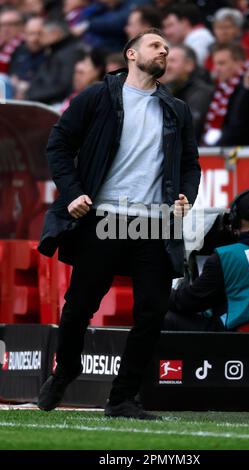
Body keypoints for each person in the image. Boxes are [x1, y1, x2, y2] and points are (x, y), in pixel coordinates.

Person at [37, 28, 200, 419]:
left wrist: (185, 197)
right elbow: (59, 144)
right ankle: (67, 368)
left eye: (167, 47)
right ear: (131, 54)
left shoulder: (176, 108)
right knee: (78, 307)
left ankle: (123, 397)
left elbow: (190, 164)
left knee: (152, 310)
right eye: (155, 45)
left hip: (154, 223)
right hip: (103, 216)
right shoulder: (98, 95)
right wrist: (74, 192)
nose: (163, 51)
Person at [169, 189, 249, 331]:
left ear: (235, 223)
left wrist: (159, 291)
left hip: (241, 344)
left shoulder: (225, 257)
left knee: (165, 316)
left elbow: (186, 302)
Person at [162, 44, 214, 142]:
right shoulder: (167, 91)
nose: (167, 66)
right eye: (166, 61)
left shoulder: (202, 92)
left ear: (189, 65)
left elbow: (190, 130)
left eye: (172, 61)